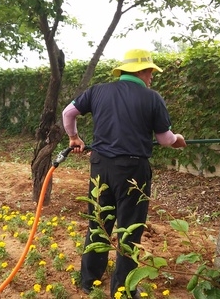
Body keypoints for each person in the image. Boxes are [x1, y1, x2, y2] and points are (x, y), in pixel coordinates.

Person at [61, 49, 186, 298]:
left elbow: (68, 113)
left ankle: (89, 281)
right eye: (151, 71)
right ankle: (123, 288)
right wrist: (179, 140)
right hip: (133, 171)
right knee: (130, 228)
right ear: (141, 71)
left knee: (99, 223)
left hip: (100, 166)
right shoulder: (152, 98)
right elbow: (165, 139)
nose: (152, 77)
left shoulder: (98, 91)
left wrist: (74, 137)